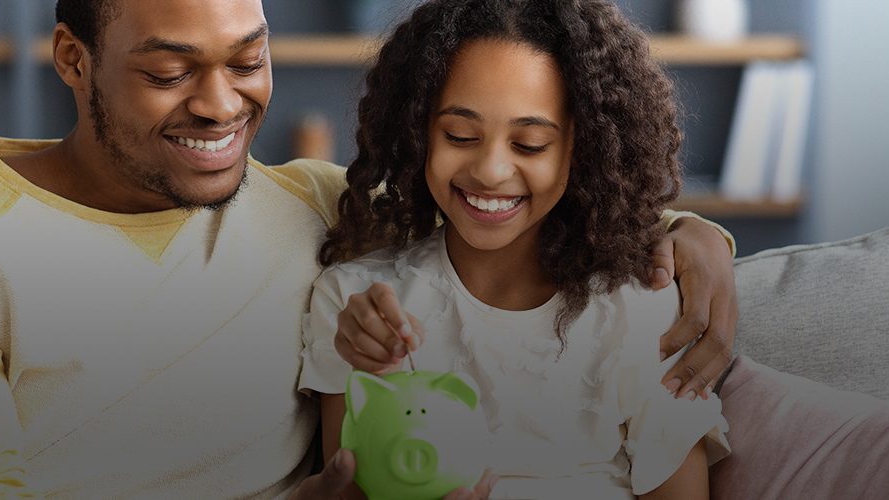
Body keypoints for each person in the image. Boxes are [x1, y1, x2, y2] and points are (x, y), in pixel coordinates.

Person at [0, 0, 738, 498]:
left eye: (248, 59)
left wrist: (690, 238)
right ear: (73, 59)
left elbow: (501, 204)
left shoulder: (309, 202)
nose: (222, 104)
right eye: (169, 73)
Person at [300, 1, 730, 499]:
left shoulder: (641, 310)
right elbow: (347, 486)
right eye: (460, 135)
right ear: (417, 129)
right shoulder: (354, 303)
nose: (489, 170)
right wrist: (376, 377)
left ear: (583, 146)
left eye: (528, 144)